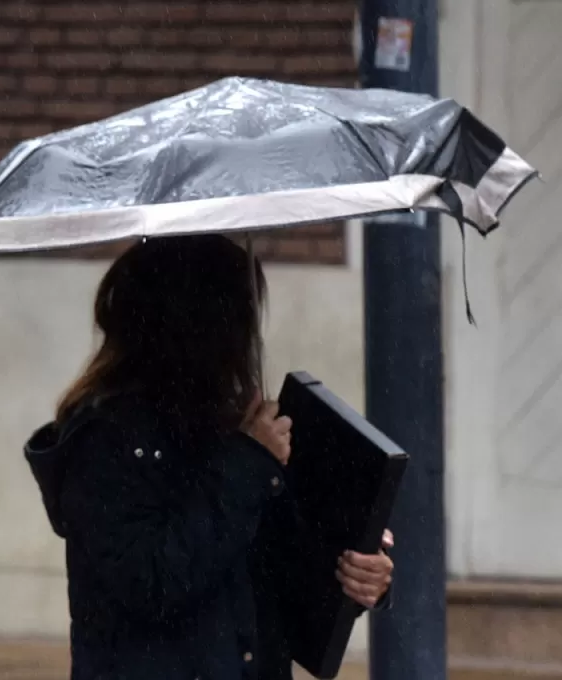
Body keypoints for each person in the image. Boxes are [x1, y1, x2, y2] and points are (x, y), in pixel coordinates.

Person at [22, 234, 394, 680]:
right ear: (198, 328)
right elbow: (151, 583)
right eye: (240, 317)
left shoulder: (237, 428)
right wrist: (248, 463)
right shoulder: (105, 441)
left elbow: (283, 578)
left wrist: (358, 573)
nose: (249, 337)